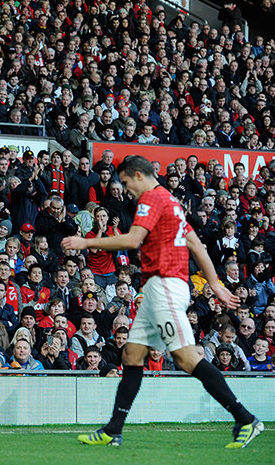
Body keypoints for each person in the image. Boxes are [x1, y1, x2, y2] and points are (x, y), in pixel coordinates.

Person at [62, 155, 262, 448]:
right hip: (162, 287)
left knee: (185, 358)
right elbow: (196, 246)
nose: (127, 190)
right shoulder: (172, 204)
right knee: (131, 355)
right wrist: (215, 284)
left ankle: (245, 418)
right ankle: (113, 429)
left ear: (138, 176)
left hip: (165, 287)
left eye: (127, 183)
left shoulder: (151, 199)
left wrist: (85, 242)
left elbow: (132, 240)